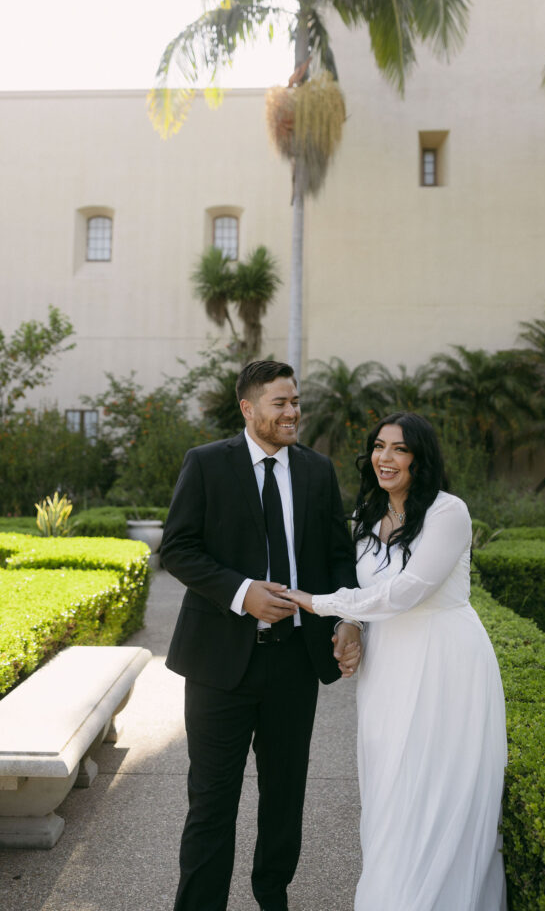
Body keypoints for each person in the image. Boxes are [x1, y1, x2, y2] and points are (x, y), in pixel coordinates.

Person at [161, 359, 361, 911]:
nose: (293, 411)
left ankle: (273, 898)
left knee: (284, 800)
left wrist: (348, 619)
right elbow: (177, 548)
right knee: (211, 802)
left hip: (295, 663)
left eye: (296, 401)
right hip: (218, 663)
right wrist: (241, 591)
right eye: (280, 403)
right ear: (248, 409)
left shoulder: (318, 472)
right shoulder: (205, 464)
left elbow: (339, 559)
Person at [287, 412, 508, 911]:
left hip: (445, 662)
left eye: (399, 449)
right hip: (387, 668)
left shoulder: (449, 512)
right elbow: (373, 596)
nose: (385, 458)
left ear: (420, 458)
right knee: (389, 785)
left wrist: (321, 603)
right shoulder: (366, 516)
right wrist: (352, 627)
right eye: (378, 447)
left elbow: (407, 592)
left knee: (436, 786)